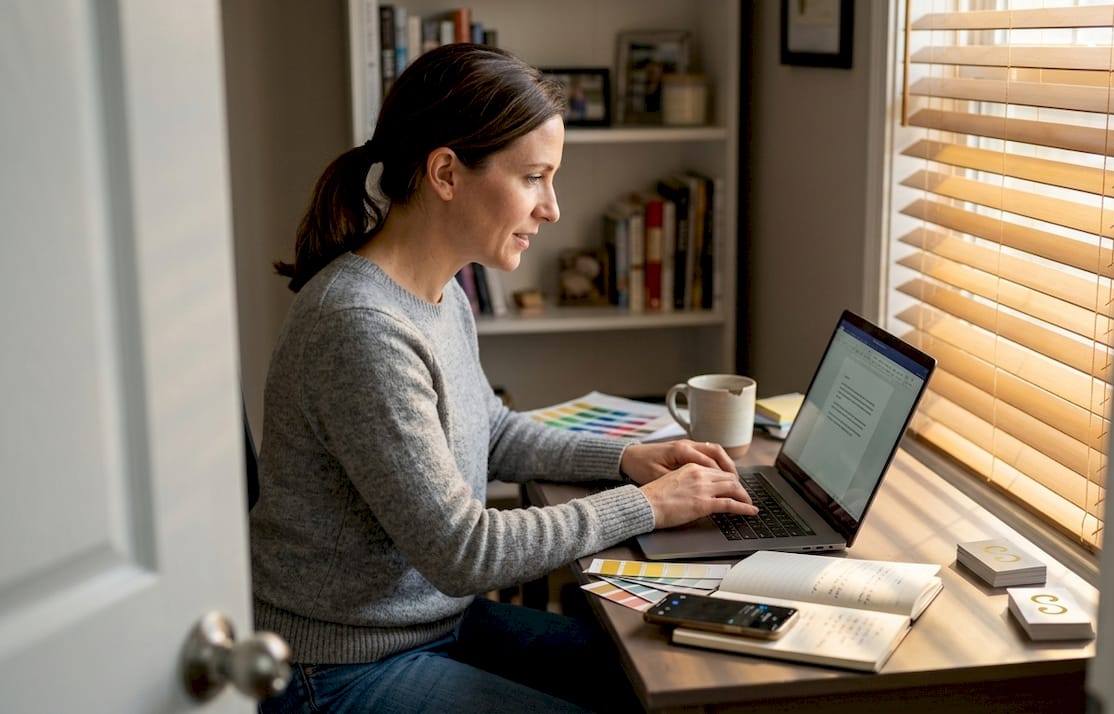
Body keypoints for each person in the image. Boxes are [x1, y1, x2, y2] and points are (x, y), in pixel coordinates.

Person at [250, 43, 757, 714]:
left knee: (662, 679)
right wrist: (652, 505)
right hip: (341, 665)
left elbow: (489, 430)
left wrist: (629, 460)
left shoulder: (439, 290)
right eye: (533, 178)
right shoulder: (359, 327)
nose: (551, 208)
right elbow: (465, 551)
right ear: (446, 173)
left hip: (432, 624)